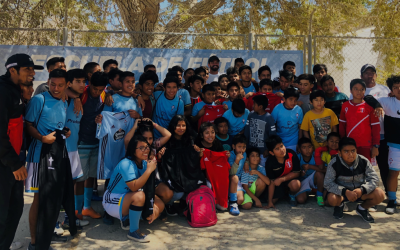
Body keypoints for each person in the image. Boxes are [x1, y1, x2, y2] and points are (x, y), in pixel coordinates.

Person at [25, 69, 72, 249]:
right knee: (38, 199)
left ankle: (46, 236)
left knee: (51, 198)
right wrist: (42, 138)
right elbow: (28, 125)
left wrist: (65, 131)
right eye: (53, 84)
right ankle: (35, 243)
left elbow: (57, 125)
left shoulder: (63, 101)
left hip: (55, 157)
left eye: (60, 85)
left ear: (67, 85)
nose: (56, 88)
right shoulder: (39, 100)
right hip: (38, 157)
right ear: (48, 81)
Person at [0, 54, 41, 250]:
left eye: (33, 70)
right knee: (2, 213)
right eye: (27, 69)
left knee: (15, 210)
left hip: (15, 163)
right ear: (12, 70)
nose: (32, 73)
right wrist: (14, 164)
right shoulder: (2, 91)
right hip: (6, 165)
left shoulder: (16, 91)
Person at [102, 135, 163, 242]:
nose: (146, 150)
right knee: (139, 196)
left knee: (160, 204)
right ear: (133, 151)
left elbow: (148, 187)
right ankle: (133, 231)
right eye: (141, 148)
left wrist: (153, 209)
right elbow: (134, 187)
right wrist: (149, 171)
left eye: (147, 147)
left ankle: (128, 218)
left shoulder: (144, 163)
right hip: (112, 199)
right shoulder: (126, 163)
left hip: (127, 196)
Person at [324, 137, 385, 223]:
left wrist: (362, 189)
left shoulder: (363, 161)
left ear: (356, 151)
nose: (350, 154)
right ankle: (340, 205)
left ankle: (362, 208)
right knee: (331, 199)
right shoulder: (334, 163)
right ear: (340, 153)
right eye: (346, 151)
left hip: (360, 193)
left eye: (353, 151)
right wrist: (345, 192)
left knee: (380, 194)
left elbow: (374, 179)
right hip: (342, 194)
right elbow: (328, 183)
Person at [157, 115, 203, 217]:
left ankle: (184, 203)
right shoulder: (167, 141)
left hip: (187, 175)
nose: (181, 128)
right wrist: (160, 156)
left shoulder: (191, 140)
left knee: (195, 187)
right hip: (172, 176)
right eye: (178, 125)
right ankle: (168, 205)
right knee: (178, 193)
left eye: (183, 125)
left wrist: (198, 153)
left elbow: (194, 160)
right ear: (173, 126)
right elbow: (162, 164)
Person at [76, 71, 108, 220]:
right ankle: (77, 211)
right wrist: (76, 98)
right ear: (90, 84)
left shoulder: (105, 95)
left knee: (91, 177)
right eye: (95, 89)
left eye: (100, 89)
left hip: (96, 142)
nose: (97, 92)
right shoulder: (81, 94)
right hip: (81, 143)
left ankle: (87, 207)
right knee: (80, 179)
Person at [356, 64, 391, 195]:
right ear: (361, 76)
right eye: (366, 73)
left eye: (372, 72)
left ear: (375, 75)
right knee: (366, 167)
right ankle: (367, 195)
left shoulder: (385, 89)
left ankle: (389, 193)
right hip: (365, 136)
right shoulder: (358, 91)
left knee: (384, 166)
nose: (370, 75)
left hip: (383, 134)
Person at [63, 69, 89, 227]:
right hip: (63, 149)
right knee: (64, 186)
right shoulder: (63, 98)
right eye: (77, 81)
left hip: (75, 149)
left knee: (76, 183)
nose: (82, 84)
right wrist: (75, 96)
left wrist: (78, 97)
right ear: (69, 83)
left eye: (83, 81)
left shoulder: (81, 97)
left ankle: (72, 217)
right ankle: (63, 220)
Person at [370, 75, 400, 214]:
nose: (399, 89)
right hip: (395, 145)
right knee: (393, 173)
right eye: (395, 87)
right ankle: (392, 200)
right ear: (391, 90)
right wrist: (377, 105)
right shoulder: (387, 101)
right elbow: (367, 99)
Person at [339, 79, 380, 161]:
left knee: (365, 169)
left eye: (362, 89)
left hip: (366, 145)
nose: (359, 91)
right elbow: (342, 126)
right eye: (356, 89)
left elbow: (376, 128)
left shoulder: (370, 107)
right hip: (350, 145)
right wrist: (342, 143)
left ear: (365, 90)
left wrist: (376, 146)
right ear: (351, 90)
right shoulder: (345, 105)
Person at [264, 135, 301, 208]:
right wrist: (270, 202)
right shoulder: (269, 162)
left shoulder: (291, 154)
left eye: (281, 146)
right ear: (271, 153)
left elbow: (297, 173)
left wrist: (282, 179)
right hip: (277, 184)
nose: (281, 150)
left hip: (289, 181)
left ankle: (291, 194)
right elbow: (271, 182)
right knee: (271, 201)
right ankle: (284, 194)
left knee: (296, 185)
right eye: (277, 148)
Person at [244, 95, 277, 166]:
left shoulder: (268, 118)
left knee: (262, 170)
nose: (252, 106)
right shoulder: (251, 115)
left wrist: (268, 149)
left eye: (254, 104)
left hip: (263, 152)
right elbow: (246, 131)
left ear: (260, 107)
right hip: (251, 150)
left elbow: (272, 135)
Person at [295, 138, 326, 206]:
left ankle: (319, 195)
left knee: (319, 174)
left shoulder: (316, 155)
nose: (307, 150)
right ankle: (307, 192)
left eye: (309, 147)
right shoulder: (297, 157)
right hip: (302, 182)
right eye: (304, 147)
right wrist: (300, 173)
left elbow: (326, 170)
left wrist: (310, 167)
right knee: (301, 200)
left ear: (312, 147)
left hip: (313, 179)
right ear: (299, 150)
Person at [271, 87, 303, 151]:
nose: (293, 102)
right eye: (291, 99)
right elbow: (272, 125)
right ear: (284, 99)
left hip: (294, 141)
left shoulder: (299, 110)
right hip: (280, 140)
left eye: (295, 100)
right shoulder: (277, 109)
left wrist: (299, 143)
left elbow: (300, 127)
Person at [227, 135, 247, 215]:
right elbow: (231, 172)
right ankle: (232, 203)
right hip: (230, 180)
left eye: (244, 147)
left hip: (238, 182)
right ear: (233, 146)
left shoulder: (244, 154)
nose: (242, 149)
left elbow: (246, 159)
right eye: (239, 147)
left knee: (240, 200)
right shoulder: (231, 155)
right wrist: (237, 160)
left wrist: (246, 163)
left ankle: (231, 199)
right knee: (235, 178)